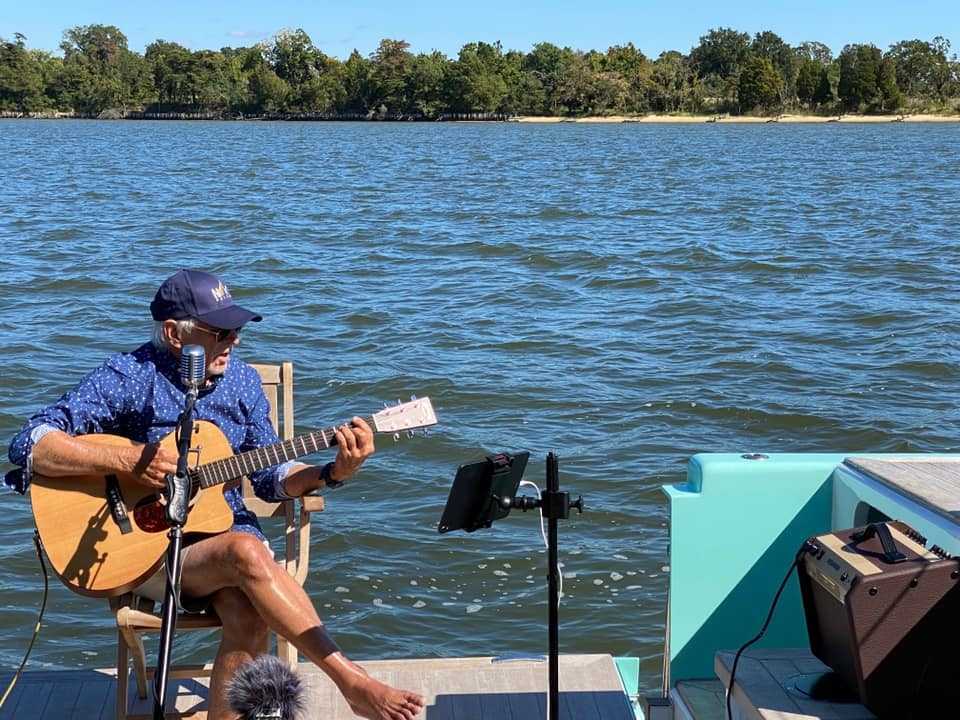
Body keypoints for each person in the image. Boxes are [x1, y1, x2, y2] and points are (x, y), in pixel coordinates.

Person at [5, 269, 425, 720]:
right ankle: (352, 682)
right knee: (247, 552)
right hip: (142, 552)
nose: (234, 341)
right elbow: (29, 442)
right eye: (221, 332)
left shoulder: (242, 383)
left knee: (250, 612)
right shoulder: (128, 376)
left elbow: (270, 478)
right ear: (173, 333)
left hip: (222, 543)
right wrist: (128, 460)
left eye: (237, 330)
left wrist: (332, 472)